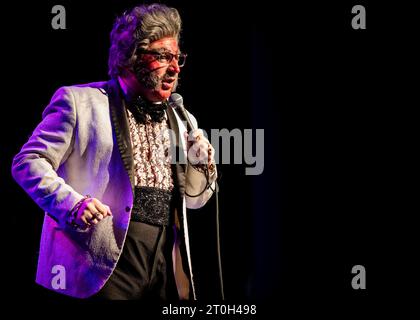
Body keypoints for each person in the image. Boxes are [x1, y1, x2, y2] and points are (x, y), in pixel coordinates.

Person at [11, 3, 217, 300]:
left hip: (162, 262)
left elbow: (195, 201)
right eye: (161, 56)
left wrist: (203, 165)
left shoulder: (182, 119)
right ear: (131, 57)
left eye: (176, 58)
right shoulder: (79, 102)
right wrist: (72, 204)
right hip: (98, 262)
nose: (174, 68)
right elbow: (27, 162)